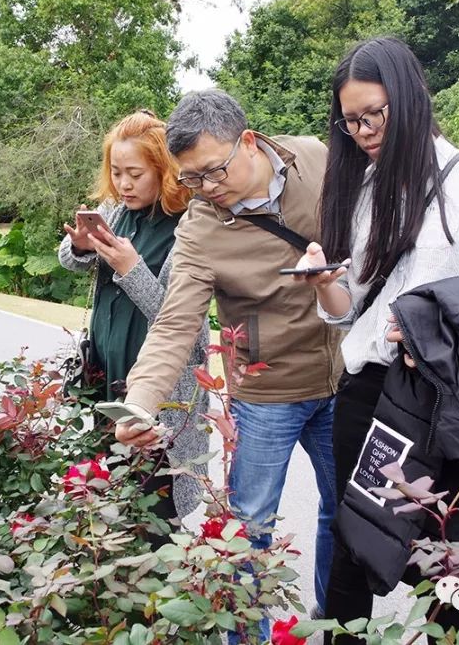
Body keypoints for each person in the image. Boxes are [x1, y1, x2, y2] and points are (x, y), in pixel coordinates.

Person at [293, 36, 459, 643]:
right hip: (369, 394)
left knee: (448, 556)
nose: (362, 132)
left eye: (374, 115)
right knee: (354, 544)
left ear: (409, 99)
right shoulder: (362, 191)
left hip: (449, 399)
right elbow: (349, 310)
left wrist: (435, 326)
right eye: (351, 121)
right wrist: (325, 283)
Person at [113, 90, 343, 640]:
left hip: (342, 378)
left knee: (346, 513)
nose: (207, 188)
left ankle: (333, 615)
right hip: (264, 396)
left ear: (248, 141)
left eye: (214, 171)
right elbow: (174, 324)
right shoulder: (199, 229)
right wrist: (139, 403)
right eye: (191, 179)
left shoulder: (314, 159)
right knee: (248, 529)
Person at [57, 109, 209, 531]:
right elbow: (69, 260)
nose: (123, 184)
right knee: (104, 496)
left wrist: (131, 268)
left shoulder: (189, 228)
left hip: (157, 388)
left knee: (153, 506)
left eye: (135, 174)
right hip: (106, 374)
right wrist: (82, 246)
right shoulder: (115, 210)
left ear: (164, 170)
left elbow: (181, 323)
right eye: (116, 171)